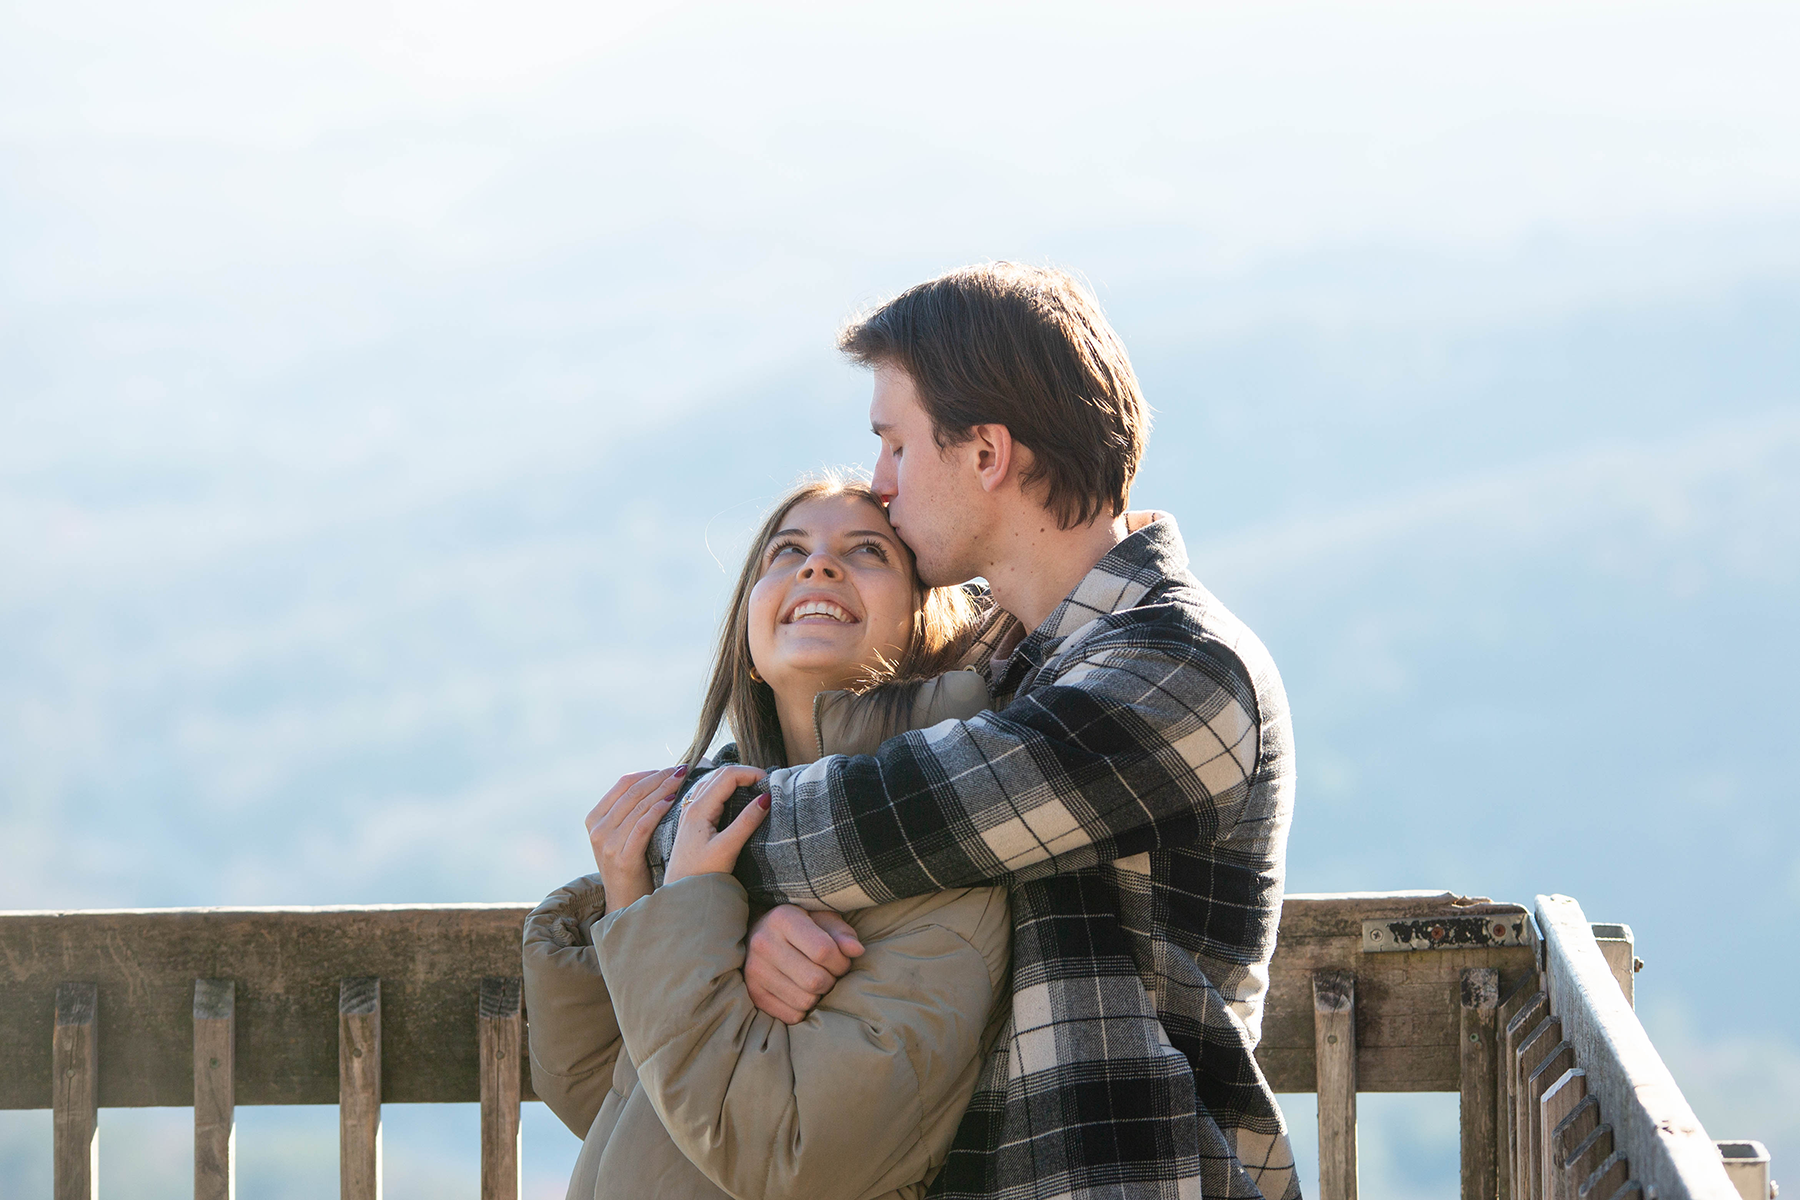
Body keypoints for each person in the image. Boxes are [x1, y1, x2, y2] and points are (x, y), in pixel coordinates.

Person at [655, 263, 1301, 1200]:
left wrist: (704, 873)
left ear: (987, 455)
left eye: (896, 446)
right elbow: (800, 794)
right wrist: (753, 922)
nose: (879, 487)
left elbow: (875, 822)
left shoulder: (1181, 672)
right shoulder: (1002, 671)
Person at [523, 476, 1013, 1200]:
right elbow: (612, 1104)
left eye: (868, 550)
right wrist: (657, 908)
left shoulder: (940, 839)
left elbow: (792, 1151)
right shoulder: (704, 838)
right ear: (747, 642)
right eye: (788, 551)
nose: (818, 566)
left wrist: (696, 922)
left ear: (924, 625)